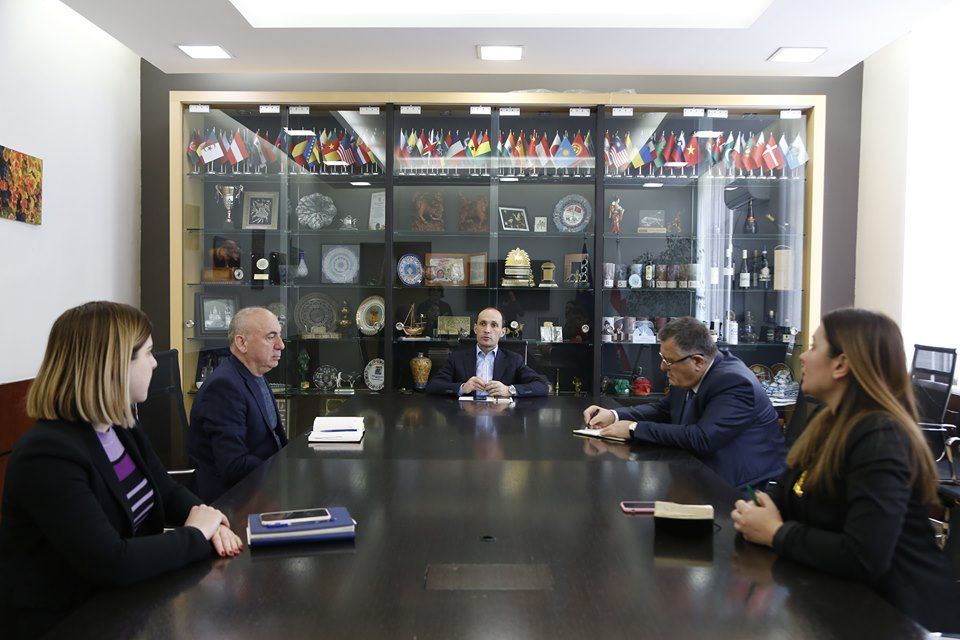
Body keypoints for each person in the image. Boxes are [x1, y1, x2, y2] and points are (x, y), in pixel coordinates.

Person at [0, 302, 242, 638]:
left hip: (128, 606)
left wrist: (209, 519)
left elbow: (167, 492)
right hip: (69, 622)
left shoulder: (119, 425)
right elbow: (112, 563)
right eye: (148, 353)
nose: (155, 363)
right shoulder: (48, 455)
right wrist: (197, 535)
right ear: (112, 366)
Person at [731, 308, 960, 632]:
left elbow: (864, 555)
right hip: (836, 604)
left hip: (899, 618)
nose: (804, 357)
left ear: (841, 364)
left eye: (814, 347)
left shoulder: (881, 437)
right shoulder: (826, 422)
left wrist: (776, 533)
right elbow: (787, 495)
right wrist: (758, 513)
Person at [582, 316, 786, 488]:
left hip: (741, 489)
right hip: (698, 472)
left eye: (668, 361)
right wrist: (614, 415)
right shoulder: (690, 372)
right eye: (662, 358)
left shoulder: (734, 382)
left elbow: (703, 438)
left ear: (697, 361)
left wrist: (634, 428)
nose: (662, 367)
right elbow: (664, 409)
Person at [188, 306, 288, 502]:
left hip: (262, 484)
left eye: (280, 335)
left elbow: (274, 440)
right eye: (271, 337)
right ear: (242, 343)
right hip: (234, 499)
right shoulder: (223, 387)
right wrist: (285, 472)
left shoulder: (255, 374)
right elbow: (233, 465)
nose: (281, 345)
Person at [426, 307, 548, 398]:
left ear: (502, 332)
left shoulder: (514, 360)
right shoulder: (457, 358)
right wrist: (462, 387)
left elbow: (542, 386)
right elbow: (433, 386)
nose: (487, 330)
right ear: (475, 328)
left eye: (494, 325)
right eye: (483, 324)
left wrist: (509, 390)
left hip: (502, 418)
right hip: (466, 417)